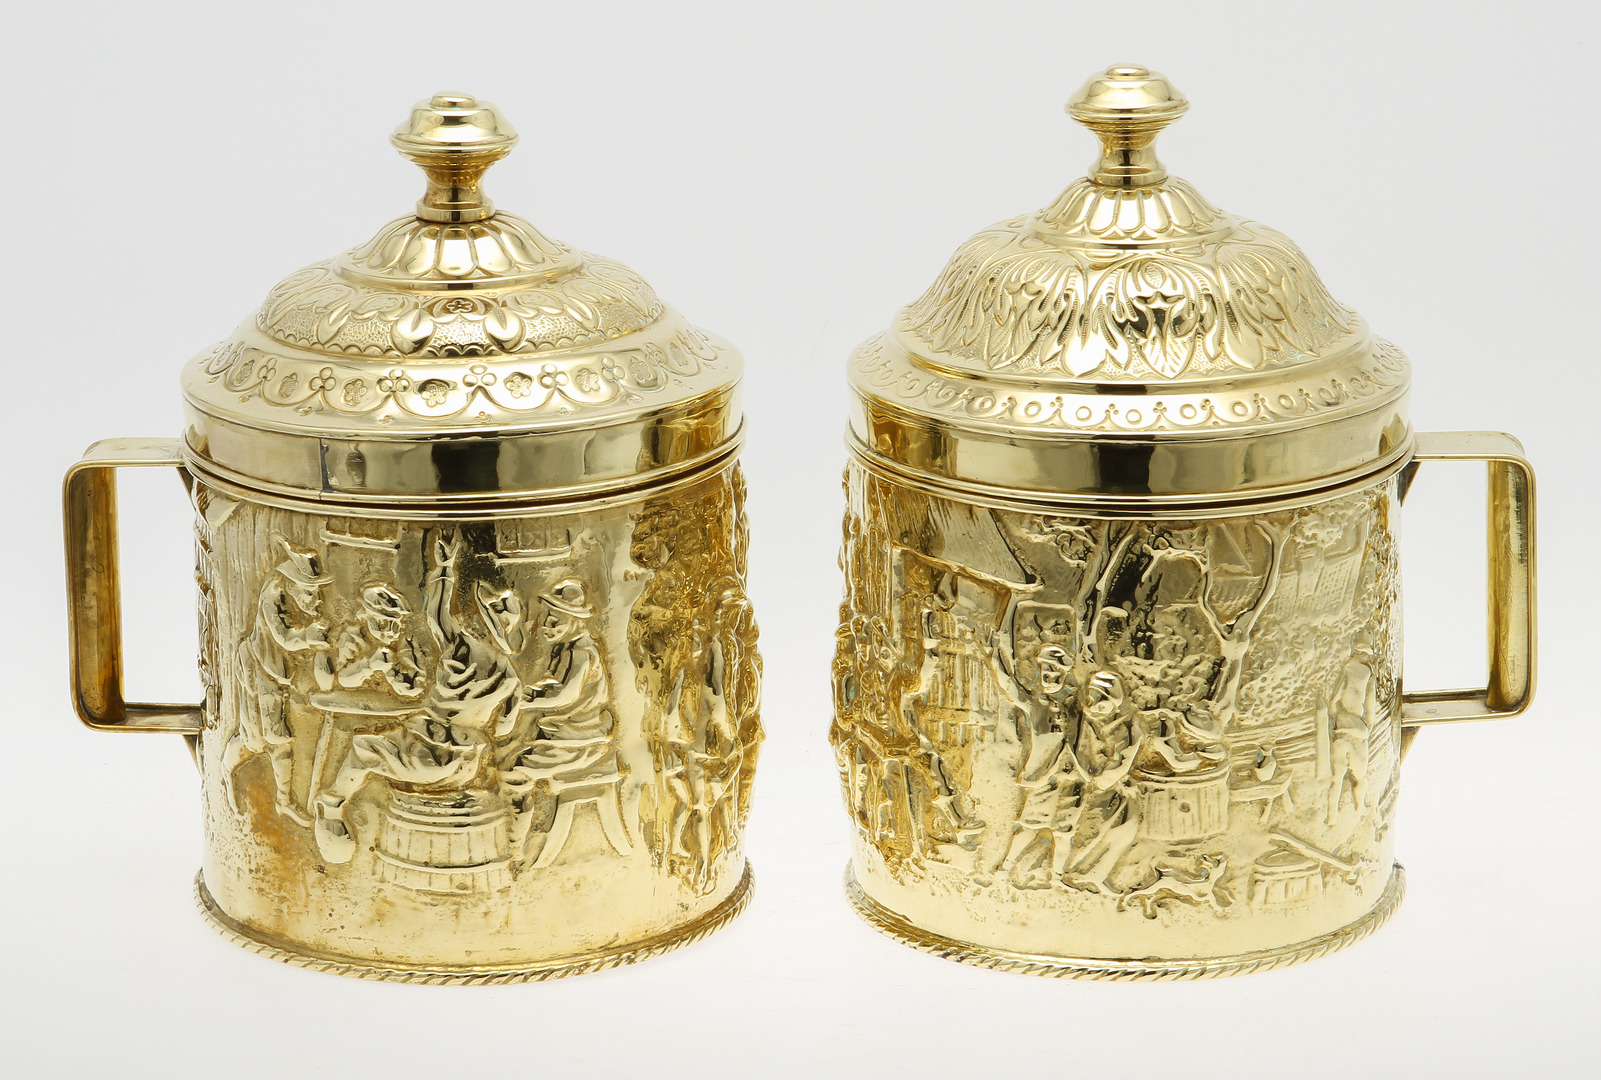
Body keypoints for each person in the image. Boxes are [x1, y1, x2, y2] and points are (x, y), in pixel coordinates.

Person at [313, 535, 530, 863]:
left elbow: (436, 615)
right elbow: (502, 729)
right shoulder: (512, 679)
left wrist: (444, 568)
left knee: (364, 750)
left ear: (482, 624)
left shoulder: (461, 646)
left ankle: (331, 808)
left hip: (429, 756)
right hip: (467, 764)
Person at [500, 579, 631, 867]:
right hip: (568, 735)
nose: (545, 625)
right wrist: (535, 692)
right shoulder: (568, 648)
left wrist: (526, 703)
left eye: (554, 620)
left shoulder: (580, 652)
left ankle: (515, 850)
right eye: (546, 617)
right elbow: (560, 687)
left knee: (513, 773)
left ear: (574, 621)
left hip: (578, 742)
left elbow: (566, 695)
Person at [221, 537, 330, 825]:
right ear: (292, 582)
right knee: (255, 740)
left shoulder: (289, 594)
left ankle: (284, 801)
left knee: (279, 738)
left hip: (276, 672)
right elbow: (285, 638)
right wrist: (310, 636)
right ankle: (227, 771)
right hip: (259, 669)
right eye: (311, 592)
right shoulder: (274, 595)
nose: (317, 600)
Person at [992, 645, 1084, 887]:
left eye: (1056, 675)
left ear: (1065, 676)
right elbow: (1010, 687)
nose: (1051, 679)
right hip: (1043, 777)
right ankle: (1005, 867)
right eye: (1046, 674)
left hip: (1071, 777)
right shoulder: (1036, 703)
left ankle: (1061, 876)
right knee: (1029, 826)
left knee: (1065, 831)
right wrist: (995, 655)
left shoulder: (1074, 706)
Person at [1062, 670, 1146, 894]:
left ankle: (1096, 875)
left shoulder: (1128, 726)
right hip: (1095, 790)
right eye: (1092, 700)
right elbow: (1079, 750)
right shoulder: (1087, 724)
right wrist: (1092, 777)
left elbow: (1127, 755)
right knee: (1092, 832)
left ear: (1115, 700)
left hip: (1116, 789)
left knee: (1126, 829)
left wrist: (1110, 777)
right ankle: (1075, 872)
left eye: (1102, 700)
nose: (1095, 706)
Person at [313, 584, 423, 697]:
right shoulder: (352, 638)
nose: (390, 631)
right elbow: (343, 678)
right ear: (366, 618)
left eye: (396, 625)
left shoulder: (406, 642)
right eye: (383, 623)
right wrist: (370, 665)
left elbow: (418, 675)